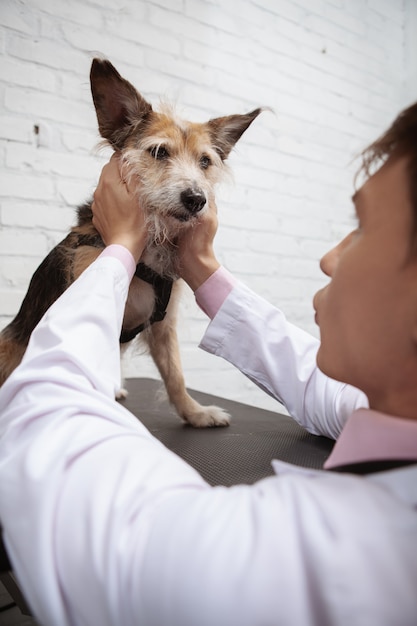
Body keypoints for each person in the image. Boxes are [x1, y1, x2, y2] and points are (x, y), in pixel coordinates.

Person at [0, 103, 416, 626]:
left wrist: (122, 250)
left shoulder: (279, 566)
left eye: (363, 226)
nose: (329, 258)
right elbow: (315, 383)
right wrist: (198, 266)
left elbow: (46, 435)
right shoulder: (387, 409)